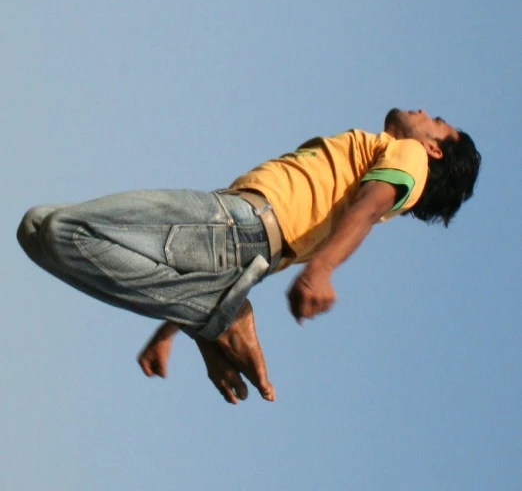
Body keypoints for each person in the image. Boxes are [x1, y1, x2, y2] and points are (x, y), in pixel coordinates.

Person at [17, 108, 481, 404]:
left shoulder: (410, 158)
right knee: (39, 229)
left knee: (58, 229)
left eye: (436, 119)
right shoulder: (368, 163)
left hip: (240, 224)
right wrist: (173, 327)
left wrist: (321, 269)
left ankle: (215, 313)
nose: (423, 111)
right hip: (235, 243)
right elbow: (233, 263)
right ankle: (211, 315)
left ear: (434, 147)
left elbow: (370, 205)